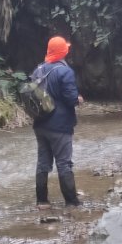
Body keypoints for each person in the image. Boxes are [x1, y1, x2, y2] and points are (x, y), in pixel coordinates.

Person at [32, 36, 84, 209]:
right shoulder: (65, 71)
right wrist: (78, 99)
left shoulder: (38, 70)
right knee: (64, 163)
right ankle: (71, 202)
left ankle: (42, 201)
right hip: (60, 125)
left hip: (40, 124)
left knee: (43, 163)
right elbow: (70, 99)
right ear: (63, 51)